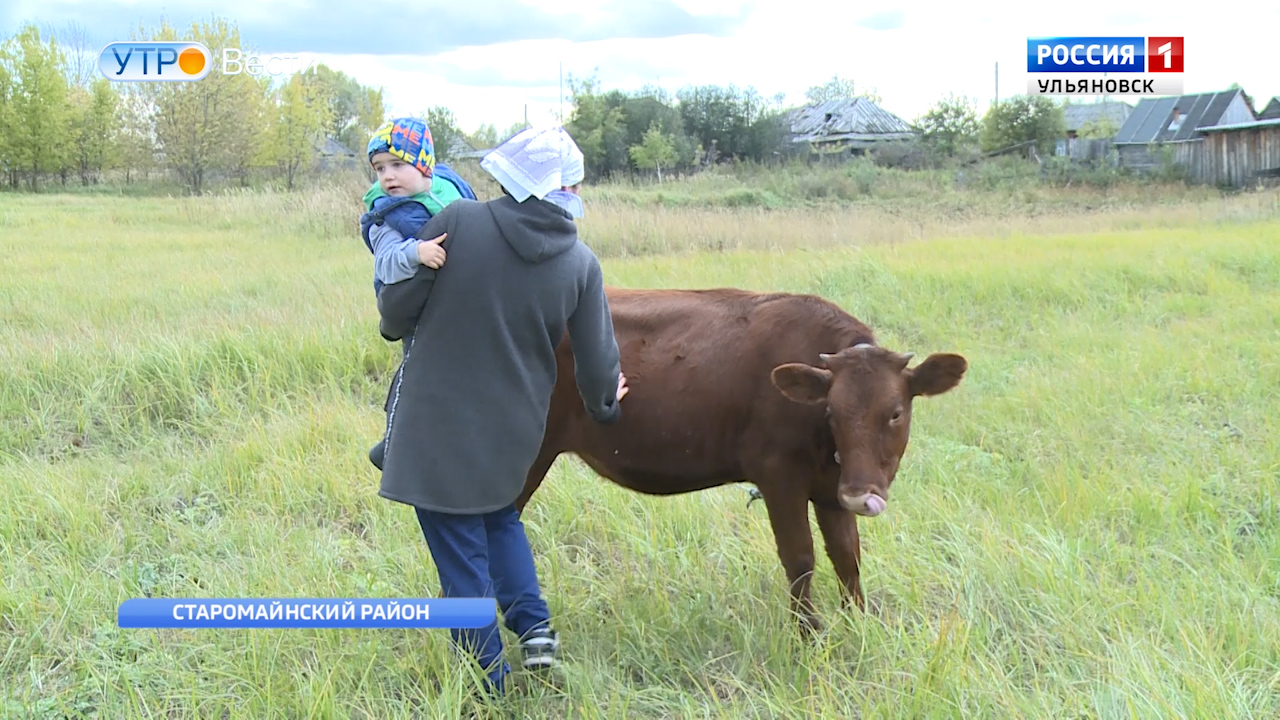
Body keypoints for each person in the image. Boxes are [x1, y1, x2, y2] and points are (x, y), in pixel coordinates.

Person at [374, 125, 628, 696]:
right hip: (516, 430)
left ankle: (487, 685)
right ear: (567, 189)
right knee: (499, 518)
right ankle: (535, 631)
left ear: (512, 175)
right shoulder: (582, 264)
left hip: (435, 426)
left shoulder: (460, 221)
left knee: (460, 552)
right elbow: (598, 367)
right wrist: (608, 406)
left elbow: (395, 315)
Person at [359, 116, 477, 470]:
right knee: (414, 378)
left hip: (456, 307)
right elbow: (388, 264)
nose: (388, 176)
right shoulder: (386, 216)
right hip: (412, 312)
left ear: (425, 166)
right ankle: (393, 445)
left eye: (397, 164)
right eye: (379, 169)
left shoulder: (447, 192)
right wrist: (417, 253)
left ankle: (460, 436)